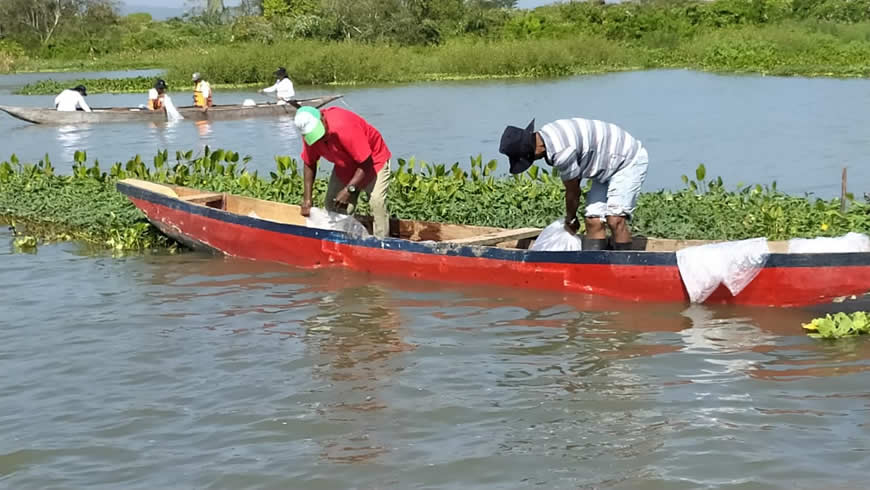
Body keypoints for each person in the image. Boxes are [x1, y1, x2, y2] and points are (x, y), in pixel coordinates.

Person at [498, 117, 649, 250]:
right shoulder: (547, 132)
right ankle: (595, 266)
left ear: (536, 150)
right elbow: (575, 179)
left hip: (628, 160)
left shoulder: (561, 152)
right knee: (593, 220)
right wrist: (572, 217)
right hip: (604, 165)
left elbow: (573, 191)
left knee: (615, 219)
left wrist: (571, 218)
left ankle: (623, 266)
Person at [293, 106, 392, 238]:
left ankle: (381, 242)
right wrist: (307, 199)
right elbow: (309, 163)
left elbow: (366, 163)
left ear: (322, 118)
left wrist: (348, 190)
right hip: (345, 165)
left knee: (376, 202)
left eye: (319, 132)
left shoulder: (344, 126)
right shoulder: (310, 137)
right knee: (332, 205)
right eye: (314, 135)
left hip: (373, 160)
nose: (320, 138)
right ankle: (341, 239)